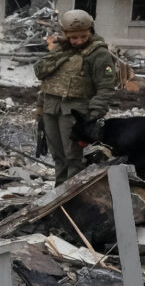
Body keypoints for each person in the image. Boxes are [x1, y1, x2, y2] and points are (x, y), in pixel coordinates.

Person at [34, 9, 116, 185]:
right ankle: (59, 190)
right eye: (73, 37)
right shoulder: (59, 50)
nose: (79, 41)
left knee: (73, 156)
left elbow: (106, 87)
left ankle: (72, 194)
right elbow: (47, 80)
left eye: (83, 36)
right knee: (57, 154)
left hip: (75, 111)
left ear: (91, 32)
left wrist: (94, 114)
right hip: (51, 107)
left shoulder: (99, 54)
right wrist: (40, 108)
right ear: (65, 35)